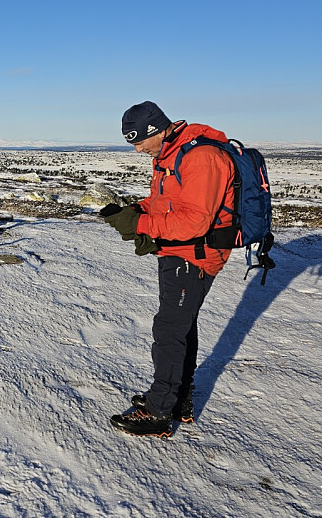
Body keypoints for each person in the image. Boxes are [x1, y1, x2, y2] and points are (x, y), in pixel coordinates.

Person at [101, 101, 236, 438]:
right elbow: (169, 203)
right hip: (178, 250)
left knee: (169, 331)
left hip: (195, 254)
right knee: (180, 326)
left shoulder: (201, 157)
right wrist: (134, 210)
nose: (136, 149)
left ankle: (160, 410)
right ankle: (177, 400)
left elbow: (195, 220)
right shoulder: (169, 154)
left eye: (139, 141)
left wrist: (143, 224)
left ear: (157, 130)